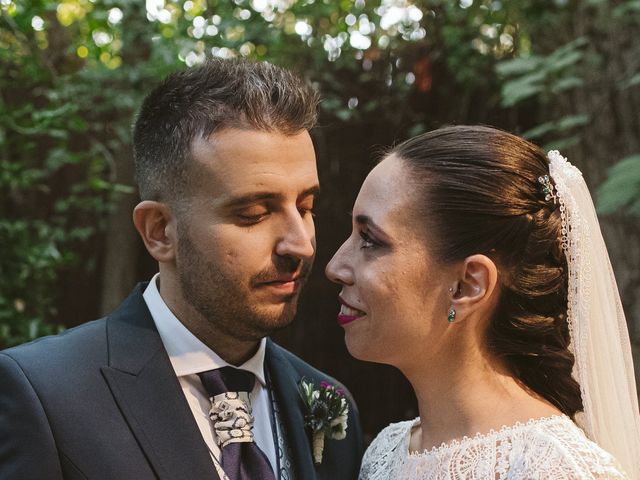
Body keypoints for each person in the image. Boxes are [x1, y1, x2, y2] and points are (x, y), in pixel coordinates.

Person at [0, 59, 363, 480]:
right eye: (253, 213)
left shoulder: (330, 405)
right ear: (159, 232)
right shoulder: (44, 395)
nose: (300, 244)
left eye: (306, 207)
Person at [326, 125, 640, 479]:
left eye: (370, 240)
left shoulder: (558, 469)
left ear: (466, 285)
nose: (335, 267)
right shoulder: (385, 453)